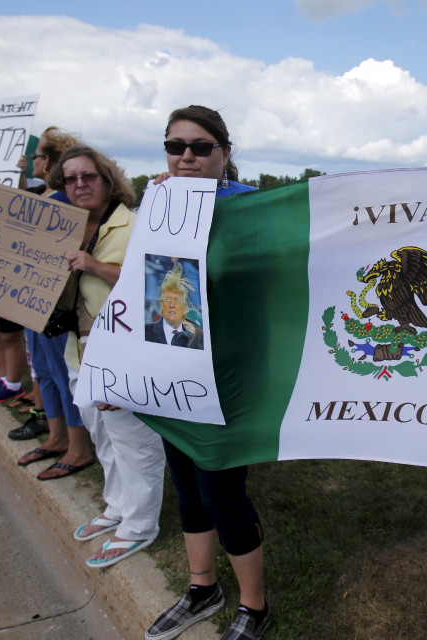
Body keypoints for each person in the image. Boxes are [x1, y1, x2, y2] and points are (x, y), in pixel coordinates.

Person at [143, 105, 269, 640]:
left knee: (221, 490)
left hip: (227, 374)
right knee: (187, 486)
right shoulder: (157, 202)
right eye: (176, 147)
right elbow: (147, 289)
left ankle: (254, 608)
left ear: (225, 153)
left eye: (200, 147)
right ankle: (202, 588)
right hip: (172, 366)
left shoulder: (251, 210)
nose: (187, 156)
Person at [45, 144, 165, 567]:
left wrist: (93, 265)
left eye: (88, 176)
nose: (79, 185)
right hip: (79, 350)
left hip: (123, 353)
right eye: (70, 179)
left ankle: (140, 524)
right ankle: (116, 505)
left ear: (107, 179)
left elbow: (155, 285)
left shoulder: (135, 226)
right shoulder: (64, 228)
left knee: (134, 441)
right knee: (101, 433)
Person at [8, 127, 97, 482]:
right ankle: (58, 437)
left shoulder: (60, 202)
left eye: (36, 156)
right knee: (44, 372)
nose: (31, 161)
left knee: (62, 374)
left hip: (55, 305)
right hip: (34, 303)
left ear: (48, 162)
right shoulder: (45, 195)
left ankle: (78, 448)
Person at [145, 262, 199, 348]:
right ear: (161, 305)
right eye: (167, 299)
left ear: (185, 309)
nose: (172, 305)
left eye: (177, 301)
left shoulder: (194, 340)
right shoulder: (145, 331)